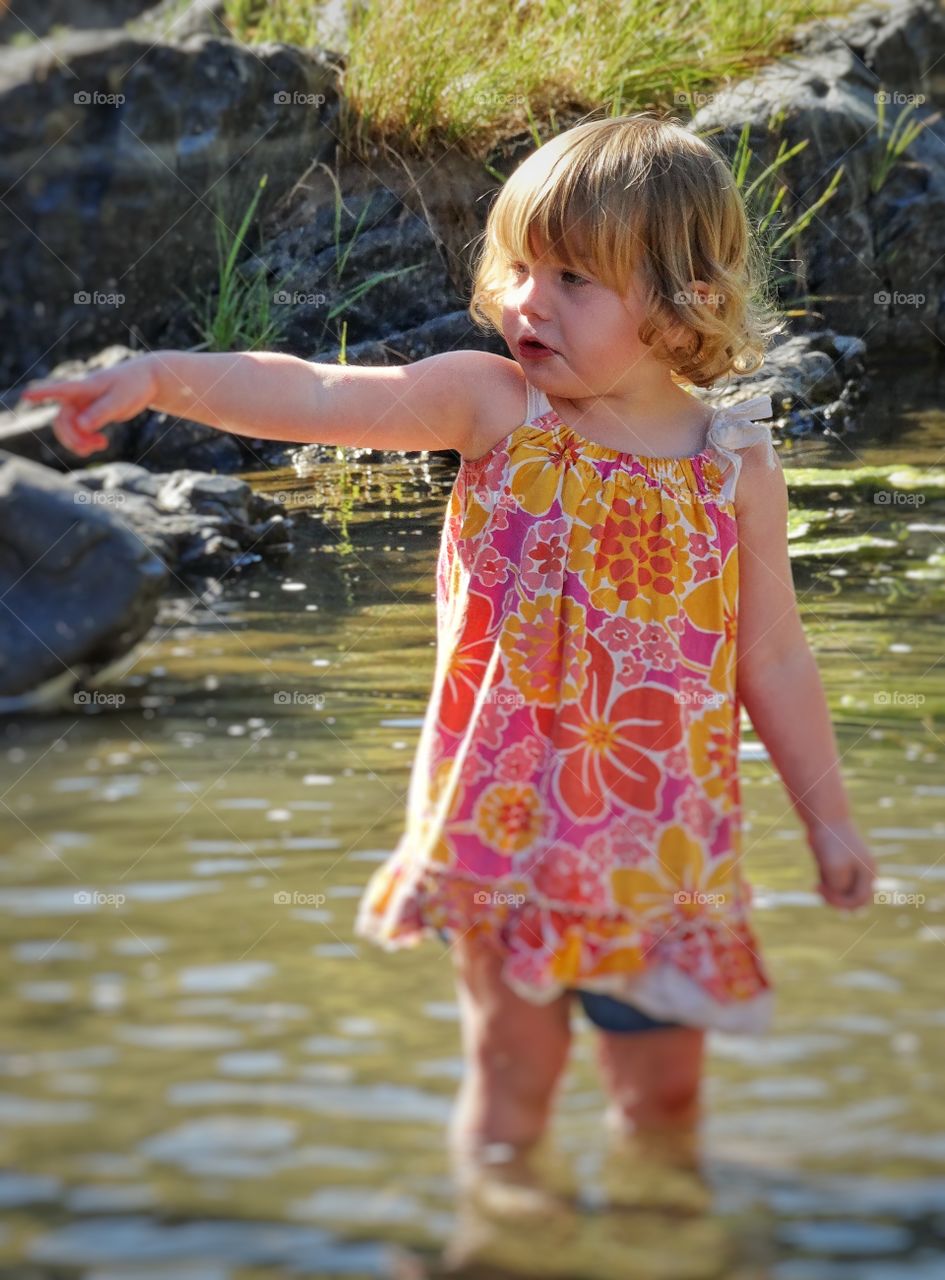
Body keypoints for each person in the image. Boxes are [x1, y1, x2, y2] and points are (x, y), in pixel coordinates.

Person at [21, 111, 877, 1203]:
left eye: (573, 278)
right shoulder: (496, 407)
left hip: (663, 849)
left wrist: (829, 821)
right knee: (513, 1087)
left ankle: (657, 1235)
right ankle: (499, 1242)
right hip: (502, 833)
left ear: (683, 301)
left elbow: (776, 656)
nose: (528, 301)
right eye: (518, 266)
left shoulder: (733, 461)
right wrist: (159, 378)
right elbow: (318, 395)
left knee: (663, 1102)